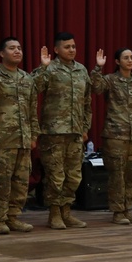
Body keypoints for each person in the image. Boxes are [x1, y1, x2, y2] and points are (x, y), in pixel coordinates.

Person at [0, 36, 40, 234]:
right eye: (12, 48)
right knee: (1, 182)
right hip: (2, 140)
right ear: (2, 53)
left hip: (23, 139)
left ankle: (13, 217)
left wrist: (33, 136)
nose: (17, 51)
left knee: (21, 183)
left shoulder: (26, 78)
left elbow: (32, 109)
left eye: (19, 48)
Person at [32, 31, 92, 229]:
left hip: (75, 132)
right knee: (56, 176)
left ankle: (67, 211)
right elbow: (33, 88)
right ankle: (54, 213)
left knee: (74, 176)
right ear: (57, 50)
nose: (72, 50)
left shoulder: (82, 70)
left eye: (74, 46)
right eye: (67, 47)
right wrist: (42, 67)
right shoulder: (49, 69)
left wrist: (85, 127)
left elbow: (87, 103)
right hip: (54, 132)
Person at [91, 47, 132, 225]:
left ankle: (128, 209)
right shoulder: (110, 80)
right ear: (117, 61)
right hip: (116, 136)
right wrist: (98, 68)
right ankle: (117, 212)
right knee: (117, 176)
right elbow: (96, 88)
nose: (130, 60)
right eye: (126, 58)